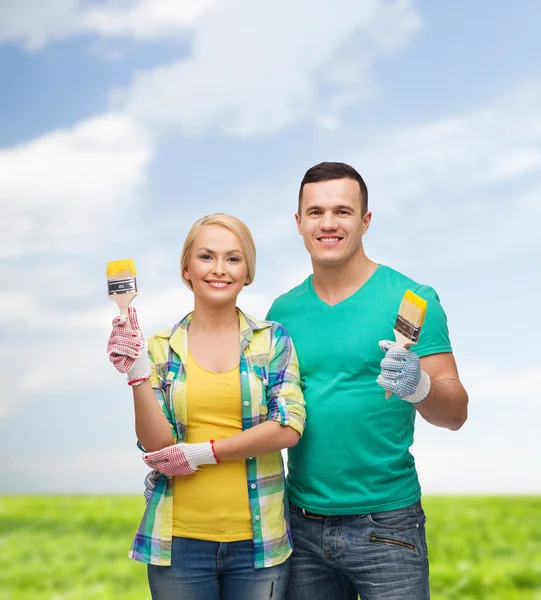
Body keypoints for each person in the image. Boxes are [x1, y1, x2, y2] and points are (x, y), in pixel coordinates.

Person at [266, 162, 469, 600]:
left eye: (342, 211)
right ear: (298, 223)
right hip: (299, 527)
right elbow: (263, 410)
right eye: (315, 212)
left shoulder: (412, 299)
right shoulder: (281, 313)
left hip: (388, 526)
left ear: (365, 220)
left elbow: (456, 413)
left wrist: (420, 387)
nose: (328, 223)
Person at [106, 213, 306, 600]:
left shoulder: (272, 340)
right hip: (178, 544)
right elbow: (157, 445)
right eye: (206, 257)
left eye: (233, 258)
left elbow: (288, 426)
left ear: (248, 271)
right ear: (187, 269)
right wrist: (136, 374)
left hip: (258, 544)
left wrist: (205, 453)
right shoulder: (160, 348)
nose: (219, 269)